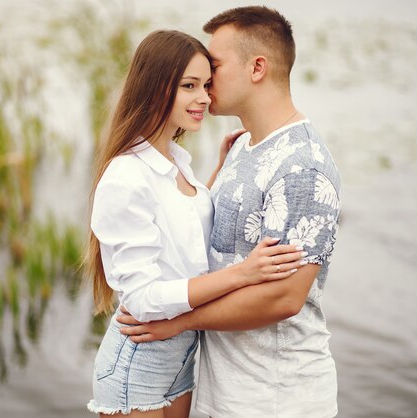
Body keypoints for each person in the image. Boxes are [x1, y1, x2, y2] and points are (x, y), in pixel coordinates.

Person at [118, 6, 342, 418]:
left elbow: (284, 297)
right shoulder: (243, 146)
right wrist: (218, 175)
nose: (205, 80)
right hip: (219, 391)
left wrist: (179, 322)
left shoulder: (303, 166)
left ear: (257, 67)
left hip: (275, 398)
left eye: (215, 67)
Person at [85, 29, 306, 417]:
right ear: (156, 86)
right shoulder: (127, 175)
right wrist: (242, 274)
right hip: (140, 362)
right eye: (189, 85)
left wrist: (222, 170)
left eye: (206, 84)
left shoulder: (175, 161)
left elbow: (180, 229)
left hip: (181, 360)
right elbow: (142, 300)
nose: (204, 97)